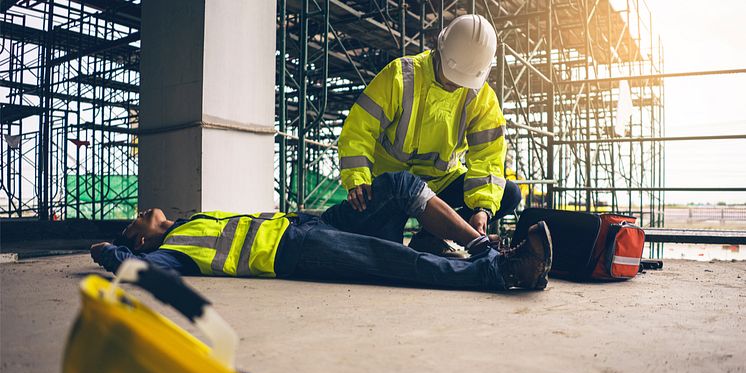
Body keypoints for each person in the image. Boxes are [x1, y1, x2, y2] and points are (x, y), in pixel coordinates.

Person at [90, 172, 552, 291]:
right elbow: (136, 268)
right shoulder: (172, 251)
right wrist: (109, 250)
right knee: (390, 261)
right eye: (134, 222)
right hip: (294, 252)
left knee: (395, 188)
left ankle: (476, 244)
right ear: (143, 238)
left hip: (303, 224)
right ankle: (502, 272)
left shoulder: (189, 221)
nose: (141, 212)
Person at [338, 14, 521, 256]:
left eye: (463, 81)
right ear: (439, 50)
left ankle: (430, 237)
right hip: (394, 187)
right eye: (451, 77)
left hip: (441, 184)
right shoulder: (401, 76)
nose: (455, 85)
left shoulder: (482, 99)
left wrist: (482, 209)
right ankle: (405, 232)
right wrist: (357, 179)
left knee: (510, 193)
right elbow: (359, 128)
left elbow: (488, 157)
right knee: (387, 252)